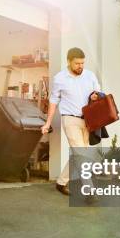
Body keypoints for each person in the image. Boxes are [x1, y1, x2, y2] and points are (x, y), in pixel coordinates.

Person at [41, 47, 100, 195]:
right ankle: (90, 191)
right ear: (68, 61)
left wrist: (95, 96)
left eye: (82, 63)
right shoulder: (60, 78)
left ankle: (61, 182)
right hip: (70, 119)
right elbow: (53, 101)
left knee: (79, 154)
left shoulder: (90, 76)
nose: (80, 66)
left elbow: (98, 94)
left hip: (88, 120)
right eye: (77, 63)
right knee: (81, 154)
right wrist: (48, 123)